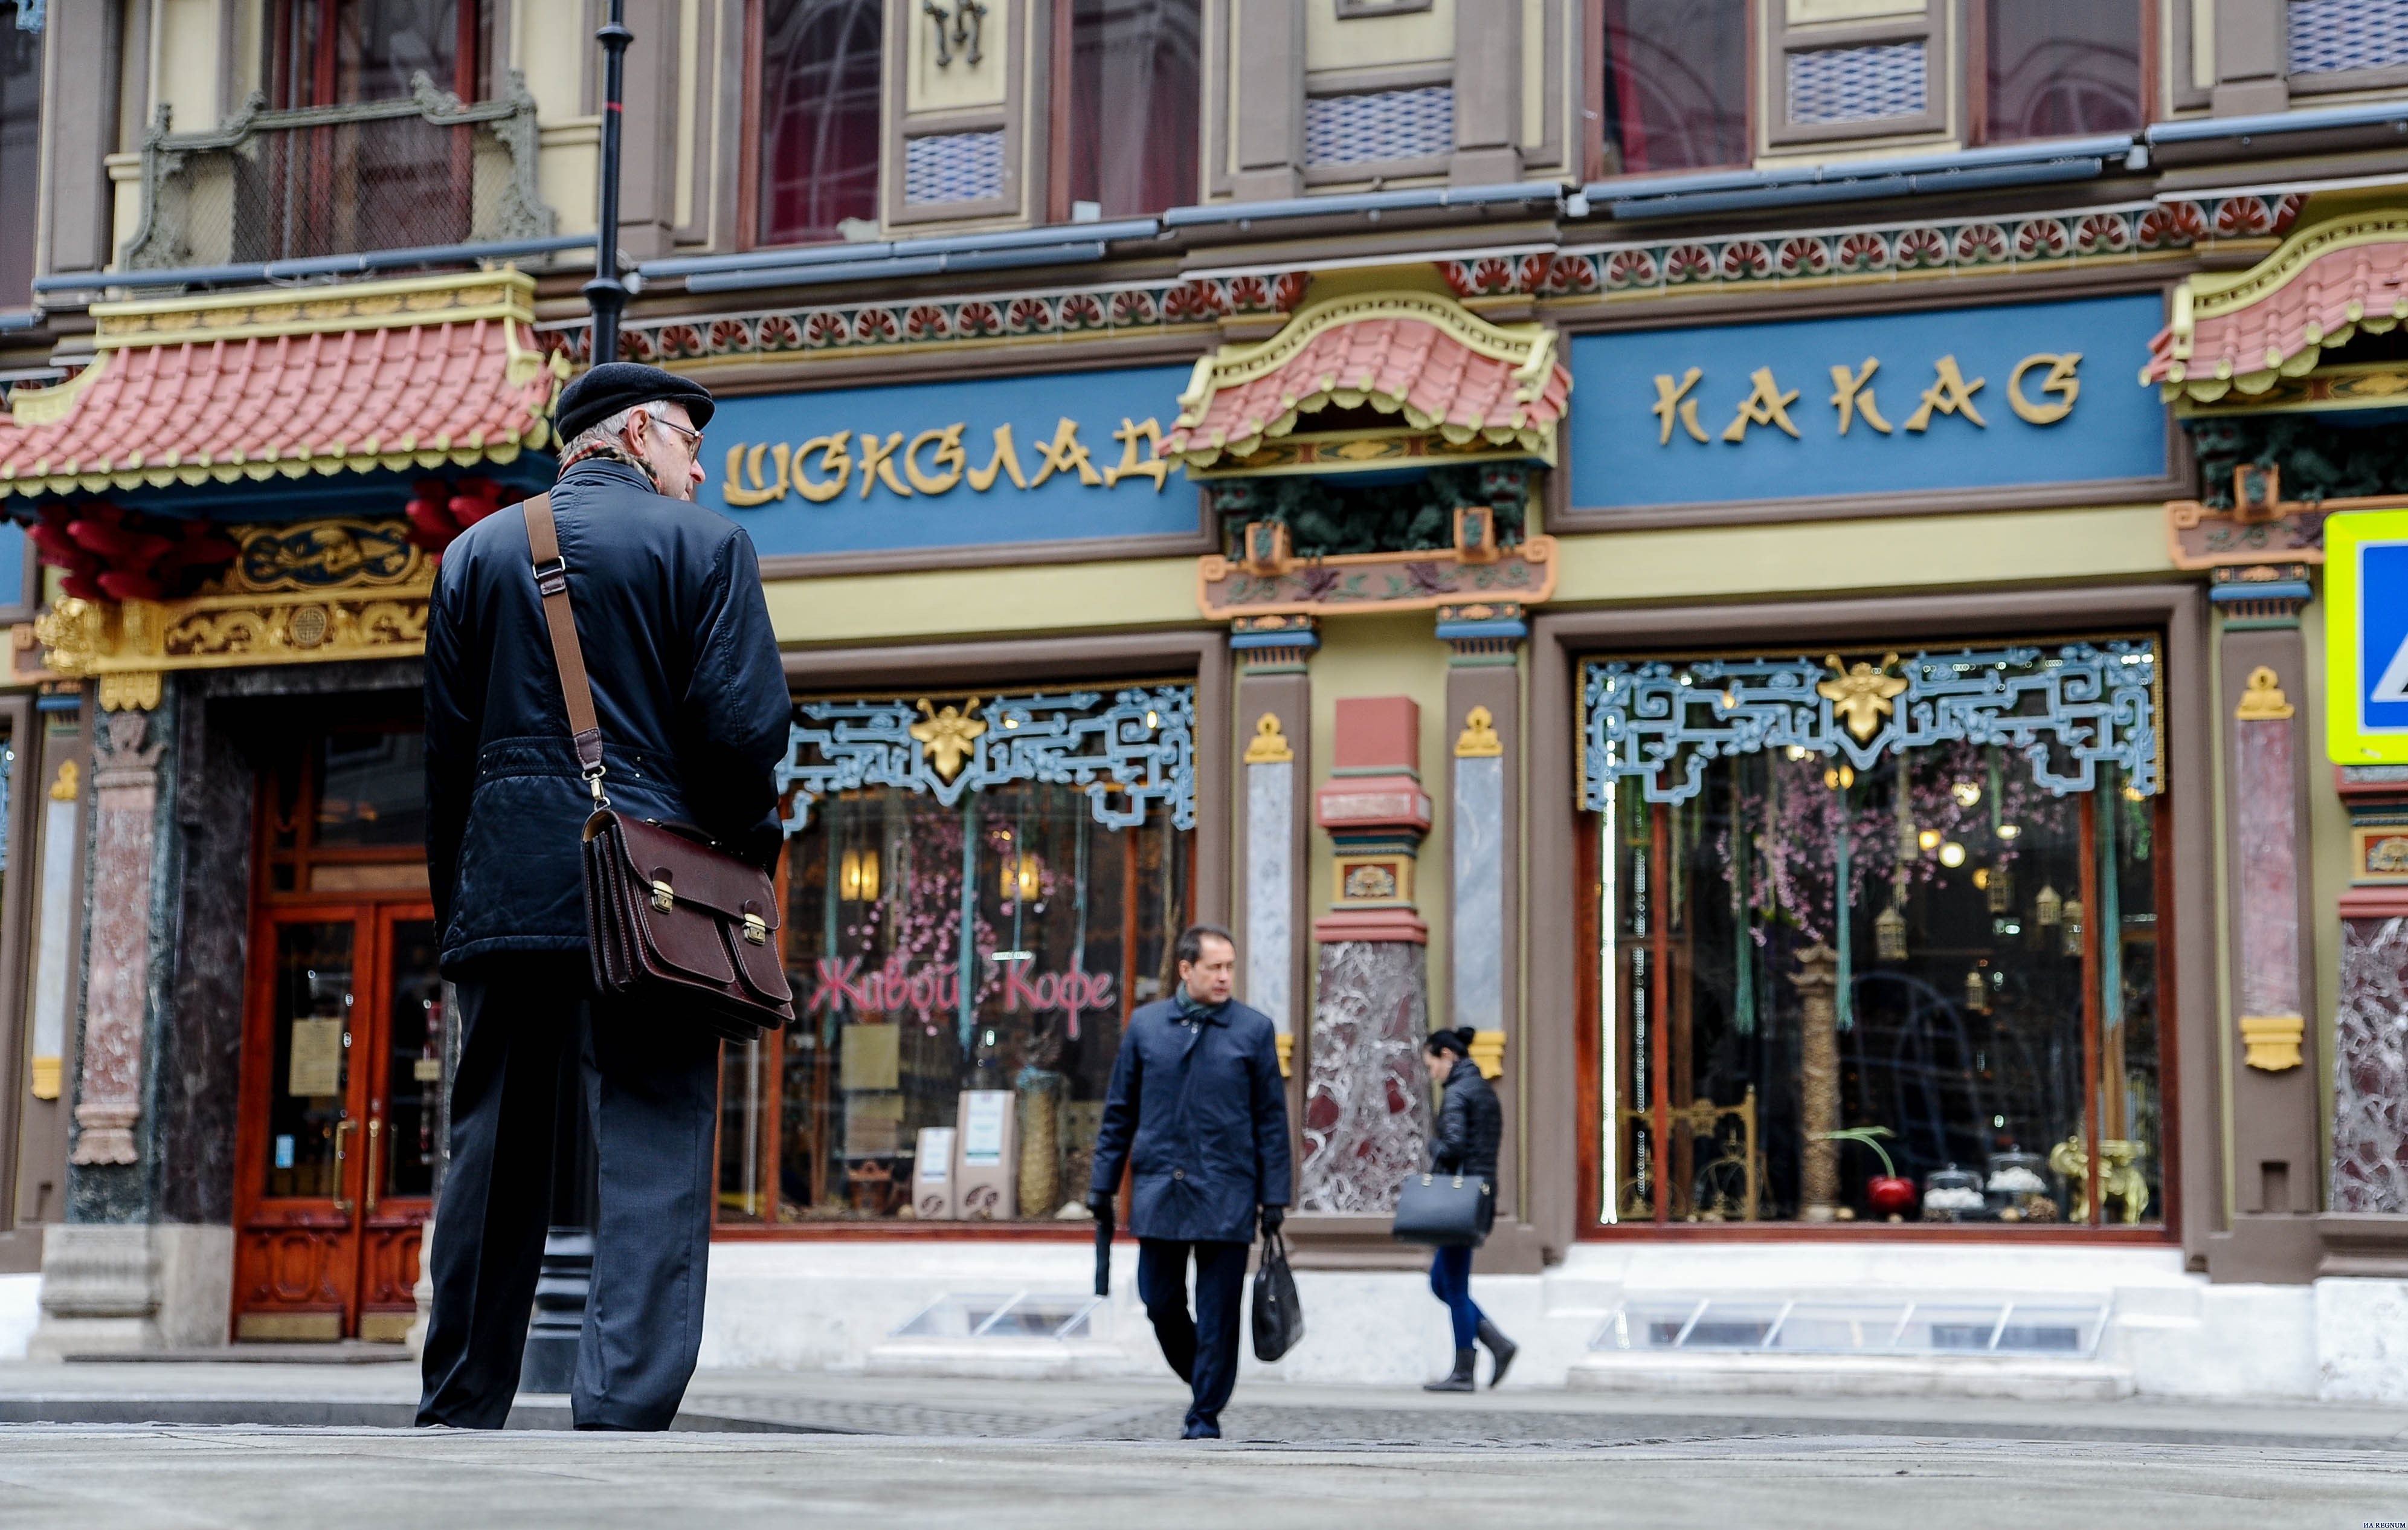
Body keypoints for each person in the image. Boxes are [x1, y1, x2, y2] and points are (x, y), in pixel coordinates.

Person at [416, 361, 791, 1430]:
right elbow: (743, 735)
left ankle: (459, 1403)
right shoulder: (708, 546)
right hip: (651, 887)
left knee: (491, 1154)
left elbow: (444, 761)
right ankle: (621, 1409)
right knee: (653, 1139)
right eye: (687, 440)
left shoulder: (476, 553)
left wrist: (463, 912)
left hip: (506, 891)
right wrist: (736, 866)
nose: (698, 464)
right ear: (635, 431)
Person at [1087, 924, 1293, 1439]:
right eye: (1214, 967)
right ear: (1186, 969)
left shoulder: (1253, 1030)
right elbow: (1119, 1111)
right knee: (1159, 1302)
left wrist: (1274, 1198)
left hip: (1228, 1191)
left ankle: (1204, 1414)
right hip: (1162, 1188)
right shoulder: (1146, 1026)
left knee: (1219, 1311)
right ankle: (1207, 1379)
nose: (1225, 977)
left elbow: (1271, 1120)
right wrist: (1102, 1185)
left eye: (1230, 967)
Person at [1420, 1027, 1516, 1391]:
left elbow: (1455, 1146)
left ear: (1447, 1055)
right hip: (1478, 1198)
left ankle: (1464, 1371)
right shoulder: (1482, 1089)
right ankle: (1497, 1343)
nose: (1433, 1074)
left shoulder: (1459, 1092)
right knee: (1441, 1282)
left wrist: (1432, 1145)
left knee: (1454, 1286)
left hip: (1459, 1203)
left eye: (1433, 1065)